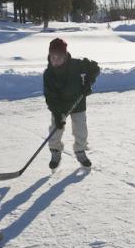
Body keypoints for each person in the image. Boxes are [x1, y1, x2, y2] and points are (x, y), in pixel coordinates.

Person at [43, 38, 100, 169]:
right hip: (60, 106)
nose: (55, 60)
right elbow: (50, 97)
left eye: (59, 57)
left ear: (65, 56)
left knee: (80, 129)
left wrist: (88, 82)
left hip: (78, 102)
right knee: (55, 129)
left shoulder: (77, 64)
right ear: (49, 57)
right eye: (53, 57)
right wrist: (58, 115)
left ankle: (80, 151)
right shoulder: (48, 74)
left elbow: (95, 68)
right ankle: (55, 151)